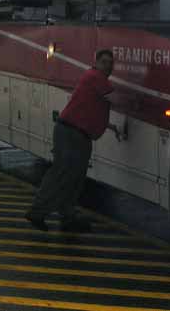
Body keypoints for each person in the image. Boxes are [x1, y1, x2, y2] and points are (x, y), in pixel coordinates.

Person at [25, 49, 123, 232]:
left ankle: (67, 215)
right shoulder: (96, 77)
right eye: (104, 62)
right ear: (97, 62)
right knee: (62, 174)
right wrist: (145, 101)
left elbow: (90, 111)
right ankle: (37, 211)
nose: (108, 66)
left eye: (111, 63)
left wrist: (111, 127)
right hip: (72, 134)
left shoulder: (94, 79)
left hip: (76, 134)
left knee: (74, 178)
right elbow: (116, 99)